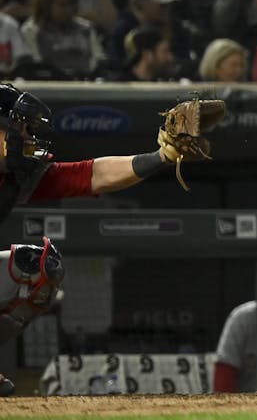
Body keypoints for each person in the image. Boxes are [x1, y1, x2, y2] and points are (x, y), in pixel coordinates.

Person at [0, 83, 220, 394]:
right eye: (17, 128)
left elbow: (90, 175)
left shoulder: (11, 178)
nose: (25, 137)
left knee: (36, 268)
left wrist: (163, 156)